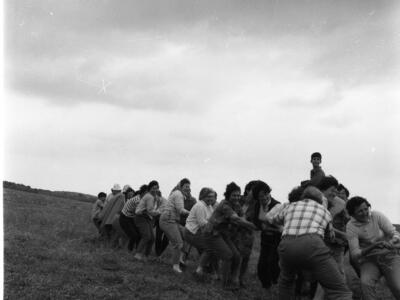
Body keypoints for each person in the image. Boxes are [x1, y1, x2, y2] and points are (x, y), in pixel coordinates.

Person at [271, 186, 352, 300]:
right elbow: (330, 235)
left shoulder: (291, 206)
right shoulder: (324, 211)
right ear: (320, 200)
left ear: (303, 197)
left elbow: (273, 219)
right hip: (312, 245)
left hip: (286, 245)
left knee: (286, 282)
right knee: (340, 291)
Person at [203, 182, 257, 290]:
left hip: (223, 234)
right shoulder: (225, 205)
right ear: (228, 195)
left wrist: (248, 224)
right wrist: (253, 226)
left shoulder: (237, 205)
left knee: (237, 255)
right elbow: (236, 219)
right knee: (228, 255)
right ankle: (224, 284)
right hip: (212, 233)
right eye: (234, 195)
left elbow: (243, 217)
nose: (236, 197)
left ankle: (233, 280)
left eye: (238, 195)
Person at [346, 196, 400, 300]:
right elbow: (355, 253)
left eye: (366, 209)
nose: (365, 213)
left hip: (389, 256)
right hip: (369, 260)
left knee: (398, 287)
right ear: (352, 214)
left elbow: (394, 233)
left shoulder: (376, 215)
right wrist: (374, 246)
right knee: (365, 284)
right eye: (360, 211)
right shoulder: (350, 226)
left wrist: (392, 241)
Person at [254, 181, 282, 290]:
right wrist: (262, 226)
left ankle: (275, 280)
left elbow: (280, 226)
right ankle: (265, 285)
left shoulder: (277, 205)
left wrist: (268, 227)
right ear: (257, 197)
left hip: (277, 237)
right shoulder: (257, 205)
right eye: (261, 196)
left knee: (272, 261)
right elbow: (256, 220)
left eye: (266, 194)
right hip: (265, 237)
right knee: (262, 263)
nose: (264, 198)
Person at [159, 178, 191, 273]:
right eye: (186, 186)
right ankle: (175, 266)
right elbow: (181, 210)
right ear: (180, 186)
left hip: (172, 220)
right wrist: (192, 213)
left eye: (189, 187)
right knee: (178, 243)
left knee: (187, 235)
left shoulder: (179, 194)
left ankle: (179, 259)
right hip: (168, 220)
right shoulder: (178, 194)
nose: (188, 188)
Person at [184, 187, 216, 276]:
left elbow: (212, 219)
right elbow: (202, 223)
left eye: (212, 197)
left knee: (208, 249)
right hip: (191, 232)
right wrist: (214, 225)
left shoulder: (209, 206)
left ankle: (207, 269)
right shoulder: (200, 206)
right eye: (208, 196)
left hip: (198, 232)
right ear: (202, 196)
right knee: (209, 248)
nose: (210, 198)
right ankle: (199, 271)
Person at [134, 180, 161, 261]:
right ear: (149, 188)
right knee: (147, 236)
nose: (155, 190)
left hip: (147, 217)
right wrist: (159, 213)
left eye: (156, 188)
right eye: (153, 188)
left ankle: (146, 256)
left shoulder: (155, 197)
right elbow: (150, 210)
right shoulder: (149, 196)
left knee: (152, 238)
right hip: (140, 216)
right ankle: (138, 254)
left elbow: (151, 210)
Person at [119, 187, 141, 252]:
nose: (130, 195)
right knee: (132, 235)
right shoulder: (131, 201)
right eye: (129, 194)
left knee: (136, 235)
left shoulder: (132, 200)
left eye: (131, 193)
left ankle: (135, 249)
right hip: (124, 218)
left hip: (130, 219)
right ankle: (129, 250)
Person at [154, 191, 169, 257]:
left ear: (159, 196)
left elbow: (157, 212)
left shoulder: (164, 202)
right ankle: (158, 253)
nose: (154, 198)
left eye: (155, 196)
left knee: (166, 239)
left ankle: (160, 252)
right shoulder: (155, 201)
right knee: (158, 237)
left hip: (168, 222)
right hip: (159, 220)